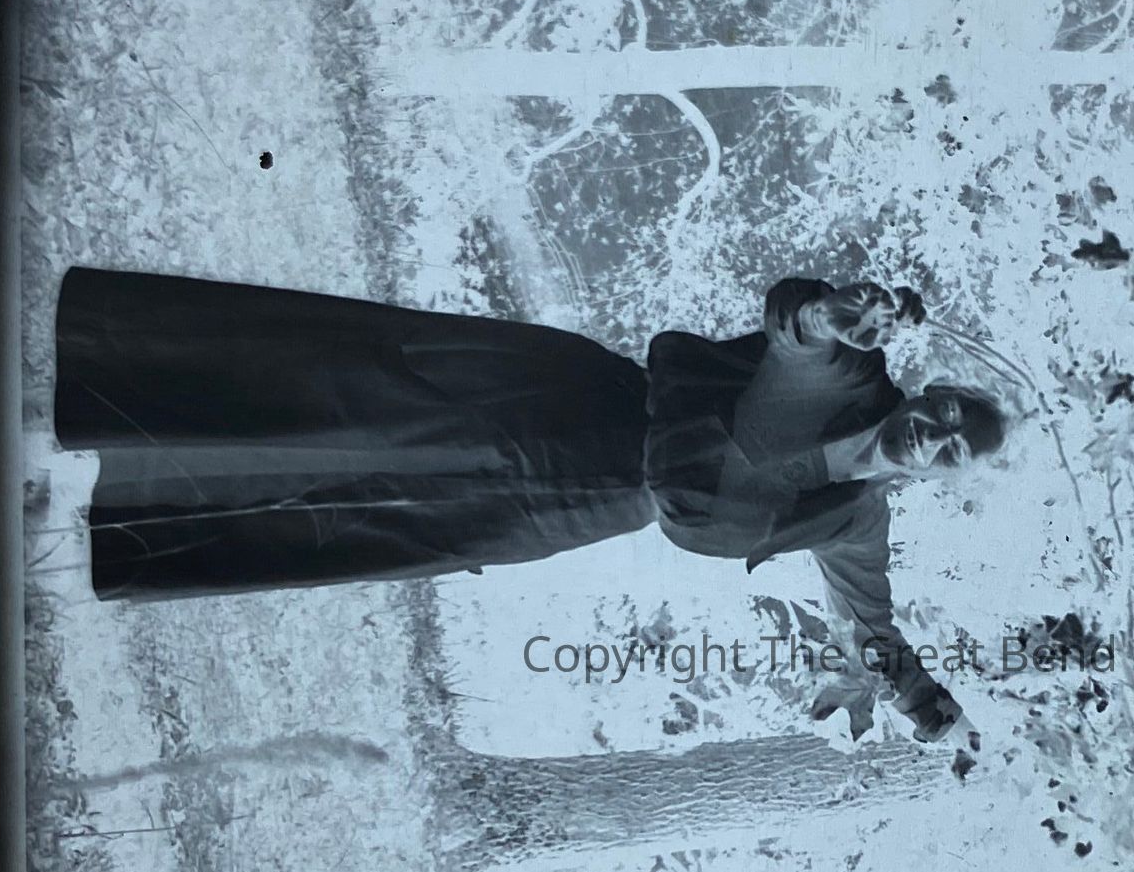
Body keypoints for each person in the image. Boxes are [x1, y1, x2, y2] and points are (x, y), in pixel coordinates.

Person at [52, 265, 1004, 736]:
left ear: (945, 475)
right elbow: (798, 322)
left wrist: (927, 704)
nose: (938, 433)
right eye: (950, 411)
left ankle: (91, 527)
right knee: (349, 404)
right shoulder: (851, 375)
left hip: (576, 512)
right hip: (574, 407)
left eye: (955, 449)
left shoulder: (855, 519)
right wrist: (840, 313)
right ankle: (88, 384)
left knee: (369, 515)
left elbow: (868, 625)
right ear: (933, 392)